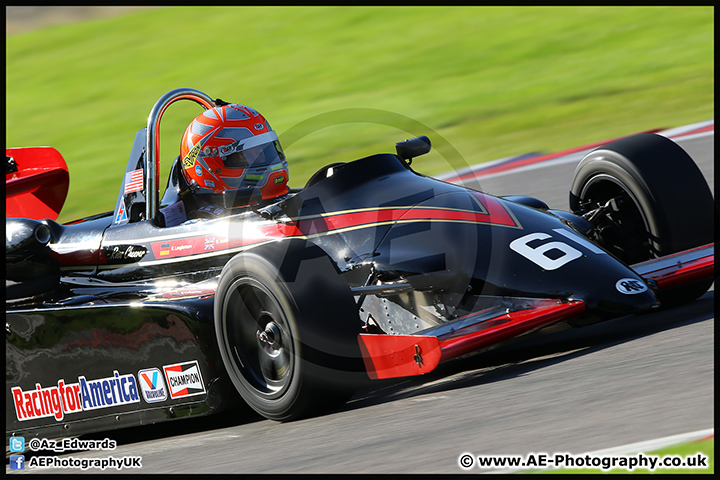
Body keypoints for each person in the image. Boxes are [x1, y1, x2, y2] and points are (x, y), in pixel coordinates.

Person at [175, 103, 289, 219]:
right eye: (249, 154)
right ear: (210, 165)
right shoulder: (207, 222)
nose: (261, 157)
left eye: (264, 150)